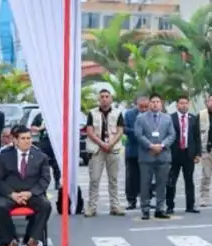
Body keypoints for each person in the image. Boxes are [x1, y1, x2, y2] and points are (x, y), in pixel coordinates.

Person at [0, 125, 52, 246]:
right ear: (15, 140)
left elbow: (45, 179)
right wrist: (12, 194)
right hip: (11, 194)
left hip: (32, 194)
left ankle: (33, 240)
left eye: (29, 138)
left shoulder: (40, 156)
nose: (27, 141)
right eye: (23, 138)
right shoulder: (4, 156)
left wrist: (30, 193)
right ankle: (10, 241)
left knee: (45, 205)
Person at [132, 92, 176, 220]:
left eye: (157, 101)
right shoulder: (141, 118)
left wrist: (161, 146)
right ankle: (145, 210)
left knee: (161, 184)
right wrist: (151, 146)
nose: (155, 104)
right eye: (153, 101)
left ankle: (160, 209)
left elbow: (172, 135)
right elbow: (138, 135)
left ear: (161, 104)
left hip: (163, 156)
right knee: (145, 184)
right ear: (149, 103)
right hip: (147, 156)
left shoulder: (167, 118)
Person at [83, 88, 125, 217]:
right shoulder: (92, 113)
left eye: (107, 96)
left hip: (113, 149)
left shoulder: (118, 113)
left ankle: (115, 206)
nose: (105, 99)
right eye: (102, 96)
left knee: (113, 179)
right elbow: (89, 131)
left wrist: (110, 144)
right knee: (94, 180)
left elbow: (120, 130)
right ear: (99, 99)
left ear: (111, 99)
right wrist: (102, 144)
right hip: (97, 149)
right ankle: (92, 207)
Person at [165, 95, 200, 215]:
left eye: (186, 103)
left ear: (188, 104)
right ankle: (169, 206)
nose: (184, 105)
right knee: (171, 181)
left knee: (189, 181)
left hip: (188, 154)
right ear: (177, 105)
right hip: (174, 154)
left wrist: (198, 153)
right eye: (181, 103)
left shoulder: (194, 118)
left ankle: (190, 206)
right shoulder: (170, 118)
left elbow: (197, 137)